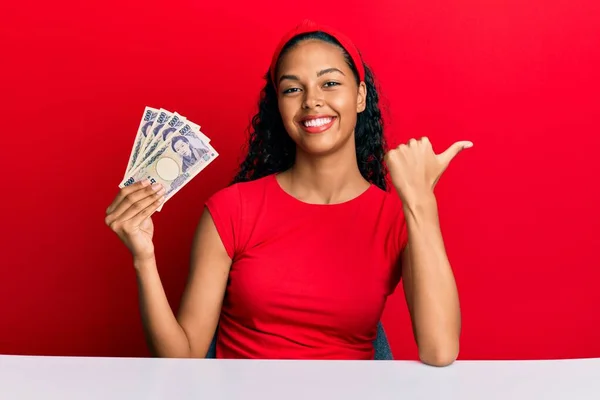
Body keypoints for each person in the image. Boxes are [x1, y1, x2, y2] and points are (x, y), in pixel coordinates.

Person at [105, 20, 471, 366]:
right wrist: (143, 259)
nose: (311, 100)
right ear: (278, 106)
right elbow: (181, 361)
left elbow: (440, 350)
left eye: (330, 84)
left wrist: (420, 200)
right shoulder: (231, 210)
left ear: (360, 96)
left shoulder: (396, 217)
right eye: (293, 89)